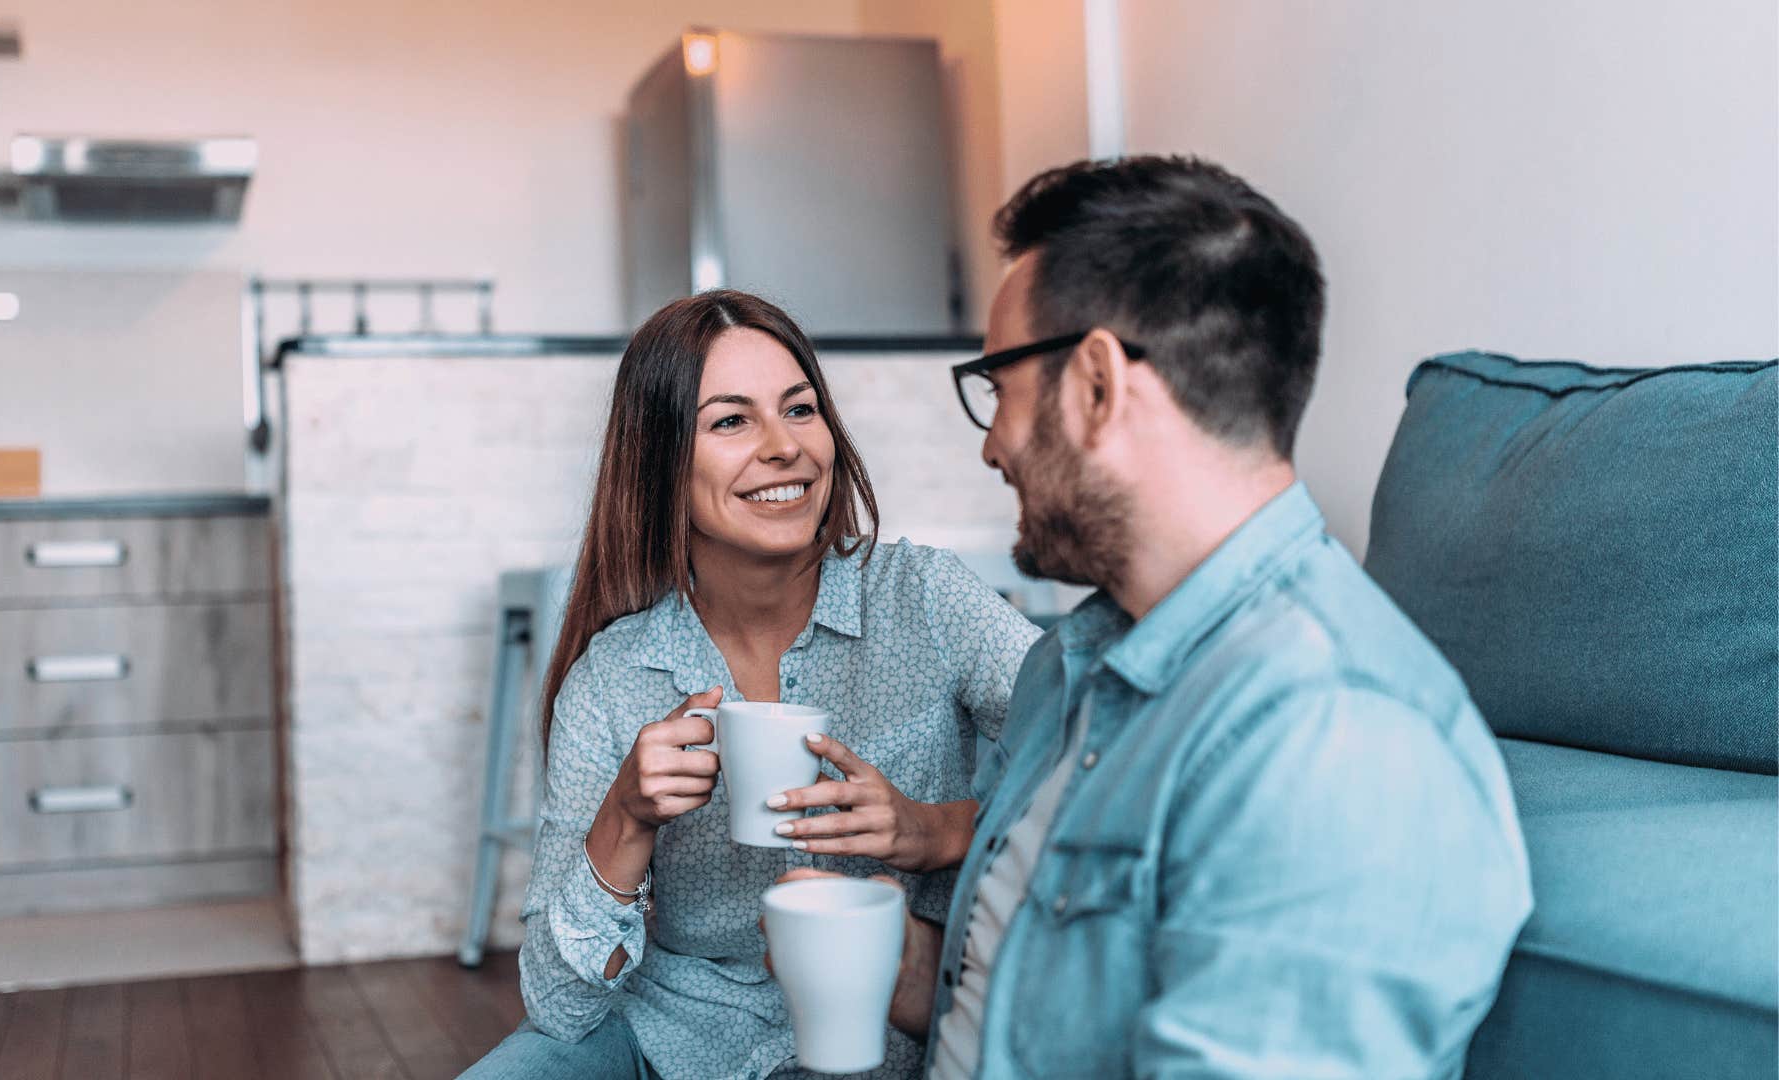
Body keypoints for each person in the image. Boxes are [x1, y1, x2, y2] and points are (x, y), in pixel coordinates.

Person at [777, 155, 1534, 1078]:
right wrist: (906, 970)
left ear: (1097, 386)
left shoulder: (1336, 738)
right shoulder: (1066, 666)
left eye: (999, 387)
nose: (992, 444)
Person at [462, 290, 1041, 1080]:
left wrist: (935, 831)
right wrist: (626, 818)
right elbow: (560, 1009)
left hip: (883, 1033)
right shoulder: (614, 677)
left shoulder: (924, 599)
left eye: (800, 410)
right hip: (669, 1034)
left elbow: (1107, 755)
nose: (784, 448)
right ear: (661, 459)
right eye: (731, 420)